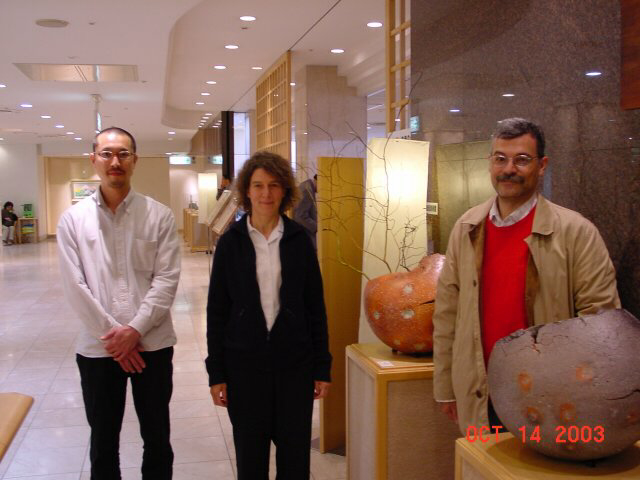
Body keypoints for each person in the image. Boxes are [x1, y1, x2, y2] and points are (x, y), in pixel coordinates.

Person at [433, 118, 620, 434]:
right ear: (490, 163)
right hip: (480, 392)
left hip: (550, 397)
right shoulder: (467, 228)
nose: (509, 169)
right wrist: (446, 387)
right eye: (500, 159)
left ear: (542, 165)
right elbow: (446, 314)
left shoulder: (576, 232)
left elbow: (601, 322)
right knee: (483, 461)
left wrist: (585, 395)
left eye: (521, 160)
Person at [57, 127, 181, 479]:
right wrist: (117, 337)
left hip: (152, 345)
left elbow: (167, 279)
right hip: (99, 349)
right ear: (93, 159)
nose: (115, 161)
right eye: (107, 153)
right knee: (103, 441)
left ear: (135, 160)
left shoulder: (159, 216)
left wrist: (135, 330)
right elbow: (75, 287)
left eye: (123, 154)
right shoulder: (73, 220)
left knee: (157, 438)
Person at [206, 151, 331, 479]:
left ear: (284, 190)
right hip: (243, 369)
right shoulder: (230, 244)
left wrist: (322, 366)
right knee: (250, 461)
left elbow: (315, 308)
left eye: (274, 185)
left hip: (294, 367)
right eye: (258, 185)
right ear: (247, 191)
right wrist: (216, 373)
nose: (266, 193)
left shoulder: (299, 240)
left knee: (295, 461)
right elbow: (217, 312)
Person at [293, 174, 318, 249]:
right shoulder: (306, 190)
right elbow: (301, 216)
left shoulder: (307, 187)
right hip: (305, 237)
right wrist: (317, 227)